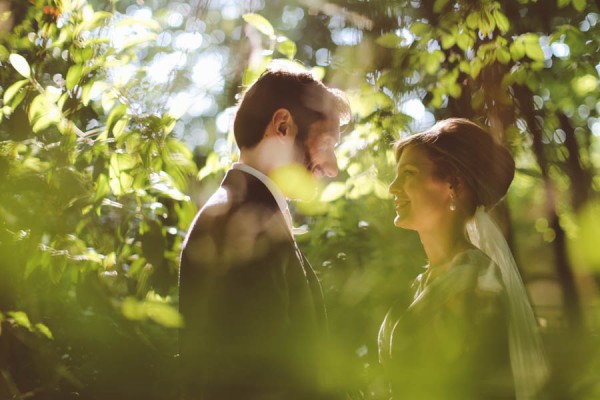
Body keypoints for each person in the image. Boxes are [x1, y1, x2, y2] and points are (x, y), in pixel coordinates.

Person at [179, 66, 351, 400]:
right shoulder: (241, 224)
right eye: (327, 143)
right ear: (283, 125)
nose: (332, 168)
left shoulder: (247, 214)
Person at [379, 118, 548, 399]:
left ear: (453, 185)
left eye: (408, 173)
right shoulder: (425, 281)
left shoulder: (474, 281)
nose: (392, 187)